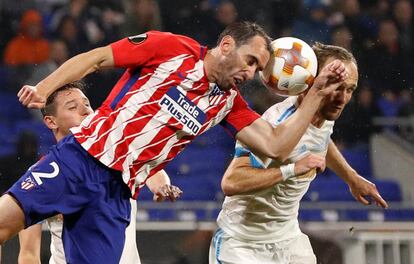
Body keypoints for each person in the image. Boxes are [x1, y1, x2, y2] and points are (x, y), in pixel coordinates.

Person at [0, 21, 347, 263]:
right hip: (81, 159)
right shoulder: (171, 48)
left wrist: (315, 95)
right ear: (226, 45)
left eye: (258, 69)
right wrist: (46, 86)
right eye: (251, 61)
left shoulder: (228, 103)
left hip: (116, 195)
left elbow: (275, 146)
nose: (252, 74)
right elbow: (96, 58)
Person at [209, 43, 388, 264]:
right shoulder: (276, 125)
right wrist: (291, 169)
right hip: (243, 245)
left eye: (349, 89)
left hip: (288, 239)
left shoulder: (323, 112)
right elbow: (232, 182)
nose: (342, 98)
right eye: (335, 86)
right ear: (310, 81)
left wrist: (351, 177)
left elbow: (319, 139)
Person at [17, 82, 182, 264]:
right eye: (72, 107)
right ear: (51, 121)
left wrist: (161, 186)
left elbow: (152, 171)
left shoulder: (121, 154)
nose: (86, 111)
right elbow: (28, 254)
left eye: (87, 104)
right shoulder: (41, 174)